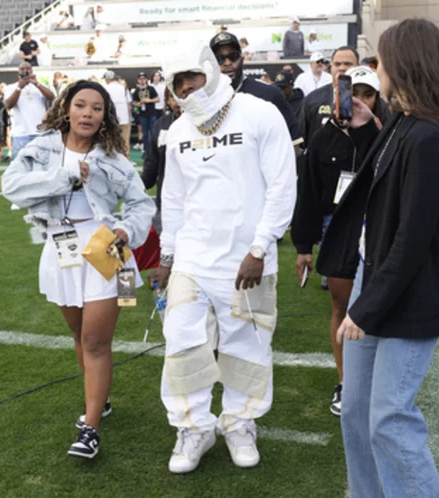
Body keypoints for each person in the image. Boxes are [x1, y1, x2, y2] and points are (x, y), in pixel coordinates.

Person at [316, 19, 439, 497]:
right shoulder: (402, 120)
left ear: (404, 64)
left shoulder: (431, 135)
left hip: (407, 295)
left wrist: (366, 306)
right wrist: (365, 131)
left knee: (390, 420)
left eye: (382, 60)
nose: (376, 69)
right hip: (375, 280)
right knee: (357, 413)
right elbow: (380, 184)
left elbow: (413, 237)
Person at [148, 41, 296, 475]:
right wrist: (168, 255)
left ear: (212, 70)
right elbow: (172, 198)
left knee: (247, 345)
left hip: (247, 260)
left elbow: (282, 186)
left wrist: (259, 247)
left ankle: (239, 423)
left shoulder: (258, 112)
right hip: (192, 260)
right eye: (178, 82)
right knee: (182, 342)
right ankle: (193, 427)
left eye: (193, 76)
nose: (187, 87)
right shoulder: (177, 131)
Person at [1, 80, 156, 460]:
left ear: (105, 116)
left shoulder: (113, 158)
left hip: (107, 248)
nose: (88, 113)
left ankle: (90, 429)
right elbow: (11, 186)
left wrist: (126, 230)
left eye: (97, 108)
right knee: (77, 332)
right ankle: (98, 400)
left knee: (96, 342)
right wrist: (66, 176)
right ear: (66, 109)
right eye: (81, 105)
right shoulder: (41, 150)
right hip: (60, 249)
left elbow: (141, 204)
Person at [292, 65, 390, 416]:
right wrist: (304, 246)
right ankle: (346, 381)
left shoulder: (386, 134)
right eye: (353, 94)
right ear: (337, 95)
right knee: (342, 307)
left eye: (368, 94)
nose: (360, 101)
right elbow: (309, 192)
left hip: (380, 231)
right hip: (340, 230)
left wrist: (367, 132)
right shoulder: (322, 137)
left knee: (379, 310)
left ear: (378, 99)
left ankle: (377, 383)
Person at [210, 32, 303, 148]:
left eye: (233, 57)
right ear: (211, 64)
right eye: (220, 59)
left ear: (242, 59)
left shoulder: (269, 94)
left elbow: (294, 144)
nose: (227, 63)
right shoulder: (204, 100)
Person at [299, 46, 359, 148]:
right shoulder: (312, 99)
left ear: (358, 66)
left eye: (348, 64)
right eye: (337, 64)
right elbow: (303, 139)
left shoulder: (369, 98)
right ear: (331, 67)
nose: (342, 68)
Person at [141, 87, 180, 229]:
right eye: (172, 97)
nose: (177, 102)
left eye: (182, 96)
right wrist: (140, 185)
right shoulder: (161, 125)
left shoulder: (203, 125)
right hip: (168, 201)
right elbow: (152, 162)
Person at [4, 62, 55, 160]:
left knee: (41, 166)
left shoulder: (40, 85)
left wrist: (37, 84)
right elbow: (9, 105)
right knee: (20, 168)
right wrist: (19, 88)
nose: (25, 70)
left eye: (28, 68)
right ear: (18, 72)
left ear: (32, 70)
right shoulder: (11, 87)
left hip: (40, 133)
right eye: (22, 68)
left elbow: (51, 97)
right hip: (21, 134)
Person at [103, 70, 131, 157]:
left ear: (108, 79)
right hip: (124, 118)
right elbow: (129, 105)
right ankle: (125, 158)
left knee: (110, 139)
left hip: (110, 119)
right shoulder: (123, 88)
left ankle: (111, 157)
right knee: (125, 140)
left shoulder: (105, 89)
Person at [131, 72, 160, 157]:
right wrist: (138, 104)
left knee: (153, 133)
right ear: (138, 80)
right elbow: (134, 101)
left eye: (144, 78)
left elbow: (158, 99)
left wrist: (149, 100)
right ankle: (146, 151)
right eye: (140, 79)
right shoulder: (136, 90)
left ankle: (154, 151)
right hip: (142, 114)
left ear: (146, 80)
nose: (142, 80)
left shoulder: (151, 89)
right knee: (145, 134)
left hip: (151, 114)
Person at [0, 83, 12, 162]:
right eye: (1, 88)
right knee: (0, 138)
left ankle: (9, 152)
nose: (2, 90)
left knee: (8, 134)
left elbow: (9, 106)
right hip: (0, 118)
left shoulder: (8, 96)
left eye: (4, 88)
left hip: (7, 117)